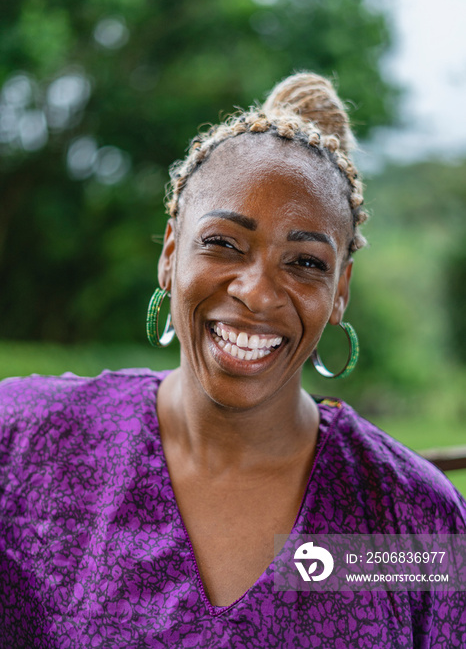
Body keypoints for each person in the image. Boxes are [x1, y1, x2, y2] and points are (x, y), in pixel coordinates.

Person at [0, 72, 465, 648]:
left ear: (341, 288)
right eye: (223, 244)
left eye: (306, 263)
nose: (258, 292)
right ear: (171, 253)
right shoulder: (25, 447)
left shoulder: (407, 523)